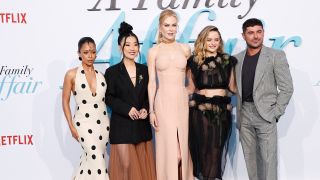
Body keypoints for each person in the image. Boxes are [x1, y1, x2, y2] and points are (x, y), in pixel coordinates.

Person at [235, 18, 294, 180]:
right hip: (244, 114)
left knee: (269, 161)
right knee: (250, 161)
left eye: (259, 32)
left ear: (263, 33)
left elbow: (287, 88)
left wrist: (275, 113)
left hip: (266, 114)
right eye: (251, 33)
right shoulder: (237, 59)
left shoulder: (276, 56)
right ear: (243, 35)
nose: (256, 36)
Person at [104, 21, 156, 180]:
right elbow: (109, 98)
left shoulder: (144, 70)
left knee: (141, 167)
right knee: (126, 165)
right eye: (128, 45)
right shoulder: (112, 72)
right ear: (121, 47)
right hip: (121, 125)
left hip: (141, 125)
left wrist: (146, 109)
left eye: (135, 44)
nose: (132, 48)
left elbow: (150, 95)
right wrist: (127, 109)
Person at [147, 9, 194, 180]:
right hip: (163, 103)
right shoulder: (154, 52)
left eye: (174, 25)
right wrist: (151, 110)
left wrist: (189, 91)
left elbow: (191, 76)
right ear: (160, 28)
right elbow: (152, 83)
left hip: (181, 103)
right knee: (172, 154)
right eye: (167, 25)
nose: (171, 29)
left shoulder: (185, 49)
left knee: (182, 151)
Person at [186, 25, 237, 180]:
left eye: (216, 39)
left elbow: (233, 88)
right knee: (202, 149)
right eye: (209, 39)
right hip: (199, 111)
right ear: (203, 41)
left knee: (216, 149)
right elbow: (190, 88)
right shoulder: (194, 61)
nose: (213, 43)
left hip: (221, 110)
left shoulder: (228, 60)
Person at [62, 37, 110, 180]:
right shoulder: (71, 74)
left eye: (93, 52)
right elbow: (65, 101)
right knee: (98, 161)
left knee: (89, 162)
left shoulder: (101, 76)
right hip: (83, 124)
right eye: (86, 52)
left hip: (102, 125)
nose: (90, 56)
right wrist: (71, 126)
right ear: (79, 54)